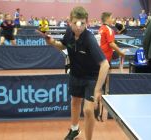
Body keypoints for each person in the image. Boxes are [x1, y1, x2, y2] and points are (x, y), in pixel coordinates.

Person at [43, 6, 109, 140]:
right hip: (76, 74)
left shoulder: (89, 40)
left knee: (88, 111)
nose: (78, 27)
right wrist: (53, 43)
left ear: (87, 23)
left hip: (92, 77)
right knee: (75, 102)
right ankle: (74, 130)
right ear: (70, 22)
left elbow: (105, 64)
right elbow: (64, 45)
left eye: (82, 24)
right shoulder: (69, 33)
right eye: (75, 23)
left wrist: (97, 90)